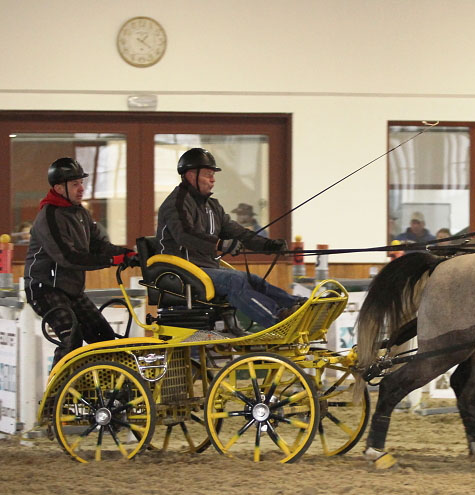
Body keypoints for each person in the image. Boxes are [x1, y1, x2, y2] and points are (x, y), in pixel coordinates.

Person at [156, 148, 305, 329]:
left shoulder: (212, 206)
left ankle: (296, 306)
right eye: (208, 175)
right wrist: (220, 244)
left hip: (204, 270)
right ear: (190, 175)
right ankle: (276, 321)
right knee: (234, 281)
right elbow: (184, 235)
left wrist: (268, 245)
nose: (213, 180)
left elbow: (237, 232)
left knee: (253, 279)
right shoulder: (176, 203)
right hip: (181, 273)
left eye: (213, 175)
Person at [24, 158, 137, 367]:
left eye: (81, 183)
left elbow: (99, 245)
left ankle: (99, 391)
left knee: (104, 338)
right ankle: (56, 397)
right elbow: (68, 257)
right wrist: (112, 260)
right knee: (71, 339)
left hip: (71, 289)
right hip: (45, 288)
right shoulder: (48, 216)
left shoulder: (80, 213)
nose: (81, 189)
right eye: (75, 184)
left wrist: (129, 255)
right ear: (59, 188)